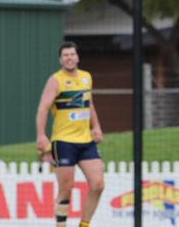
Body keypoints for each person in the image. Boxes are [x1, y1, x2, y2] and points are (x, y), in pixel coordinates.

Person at [36, 42, 104, 227]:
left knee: (98, 184)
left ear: (77, 57)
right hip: (64, 142)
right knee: (66, 189)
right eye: (65, 55)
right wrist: (41, 135)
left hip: (86, 141)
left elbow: (89, 104)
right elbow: (42, 108)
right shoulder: (55, 80)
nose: (69, 58)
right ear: (60, 60)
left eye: (72, 54)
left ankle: (84, 224)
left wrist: (96, 126)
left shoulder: (86, 77)